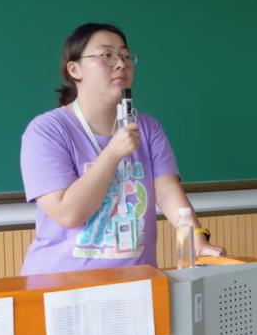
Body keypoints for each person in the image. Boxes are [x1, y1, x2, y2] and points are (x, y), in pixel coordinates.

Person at [19, 22, 223, 274]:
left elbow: (168, 192)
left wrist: (198, 241)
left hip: (135, 282)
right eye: (107, 55)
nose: (120, 63)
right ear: (74, 69)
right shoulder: (46, 131)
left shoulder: (148, 127)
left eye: (126, 56)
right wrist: (112, 153)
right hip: (60, 284)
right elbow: (68, 214)